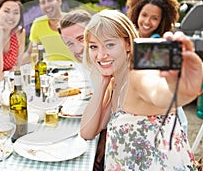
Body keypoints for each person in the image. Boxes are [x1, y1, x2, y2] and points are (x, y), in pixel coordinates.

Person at [80, 9, 202, 170]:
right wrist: (103, 83)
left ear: (128, 44)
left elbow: (158, 92)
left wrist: (180, 89)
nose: (101, 55)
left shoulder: (137, 75)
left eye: (109, 44)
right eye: (94, 46)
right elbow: (87, 132)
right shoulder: (114, 81)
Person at [126, 0, 189, 134]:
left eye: (154, 18)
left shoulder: (159, 44)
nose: (147, 22)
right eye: (144, 15)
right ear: (137, 14)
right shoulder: (127, 37)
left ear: (161, 21)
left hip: (158, 103)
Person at [58, 9, 106, 171]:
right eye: (69, 43)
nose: (77, 49)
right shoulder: (88, 64)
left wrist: (105, 140)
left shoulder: (107, 62)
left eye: (81, 39)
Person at [21, 0, 76, 64]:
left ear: (59, 1)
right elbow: (30, 53)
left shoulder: (73, 21)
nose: (47, 5)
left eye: (50, 0)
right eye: (43, 2)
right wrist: (14, 66)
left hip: (76, 68)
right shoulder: (38, 24)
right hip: (52, 70)